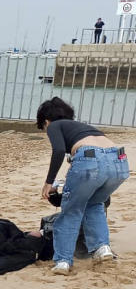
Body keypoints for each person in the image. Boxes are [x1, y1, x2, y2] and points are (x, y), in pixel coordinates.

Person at [36, 97, 128, 274]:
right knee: (94, 204)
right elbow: (92, 164)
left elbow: (58, 151)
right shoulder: (85, 128)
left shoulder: (55, 125)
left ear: (46, 121)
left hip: (90, 159)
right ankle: (102, 249)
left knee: (71, 210)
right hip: (119, 160)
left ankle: (63, 261)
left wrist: (48, 183)